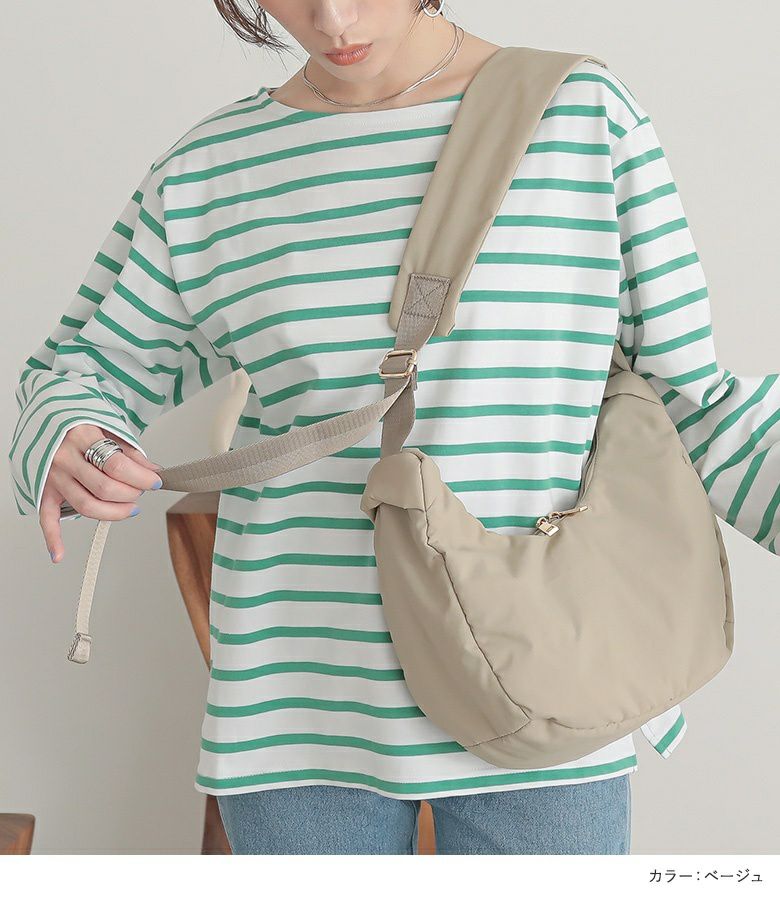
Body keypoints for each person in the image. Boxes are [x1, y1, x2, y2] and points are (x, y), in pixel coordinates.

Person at [8, 0, 779, 855]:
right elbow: (83, 370)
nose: (332, 18)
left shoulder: (580, 117)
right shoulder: (210, 169)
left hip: (545, 681)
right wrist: (73, 438)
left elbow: (684, 394)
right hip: (298, 700)